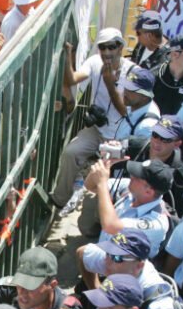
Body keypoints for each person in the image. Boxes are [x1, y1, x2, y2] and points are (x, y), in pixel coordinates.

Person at [51, 28, 139, 209]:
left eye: (111, 47)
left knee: (108, 175)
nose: (107, 52)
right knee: (71, 153)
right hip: (97, 129)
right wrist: (68, 55)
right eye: (102, 47)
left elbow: (125, 112)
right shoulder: (95, 61)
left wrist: (109, 83)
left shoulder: (133, 72)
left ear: (120, 47)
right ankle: (60, 199)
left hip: (119, 135)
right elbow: (73, 79)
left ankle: (105, 211)